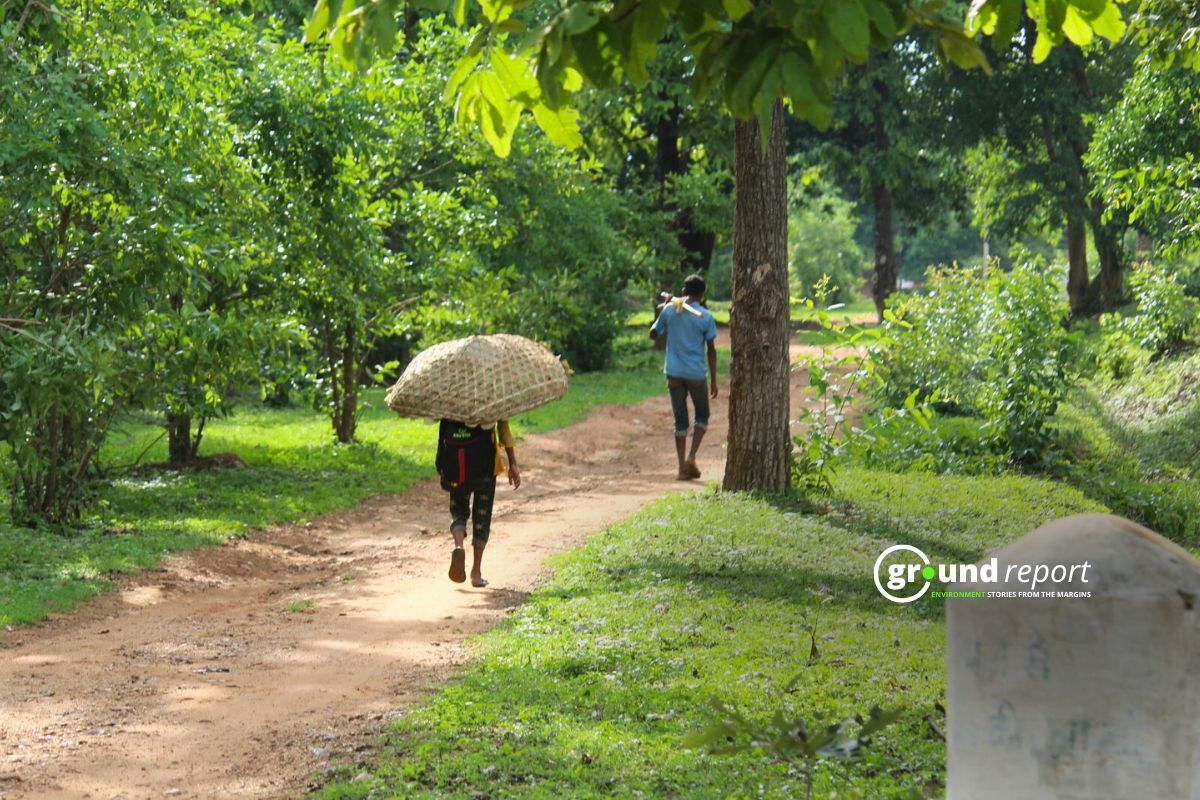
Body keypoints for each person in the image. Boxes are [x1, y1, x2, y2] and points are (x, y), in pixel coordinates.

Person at [649, 274, 719, 480]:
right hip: (696, 374)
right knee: (702, 416)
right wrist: (714, 379)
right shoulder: (705, 316)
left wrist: (663, 311)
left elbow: (654, 334)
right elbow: (711, 350)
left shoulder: (671, 311)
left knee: (680, 422)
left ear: (683, 292)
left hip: (674, 373)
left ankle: (681, 468)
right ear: (702, 294)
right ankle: (692, 456)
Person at [436, 419, 521, 587]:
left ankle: (459, 546)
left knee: (458, 509)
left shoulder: (450, 397)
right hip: (485, 467)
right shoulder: (491, 396)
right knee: (482, 514)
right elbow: (503, 429)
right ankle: (476, 573)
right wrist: (513, 463)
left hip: (456, 466)